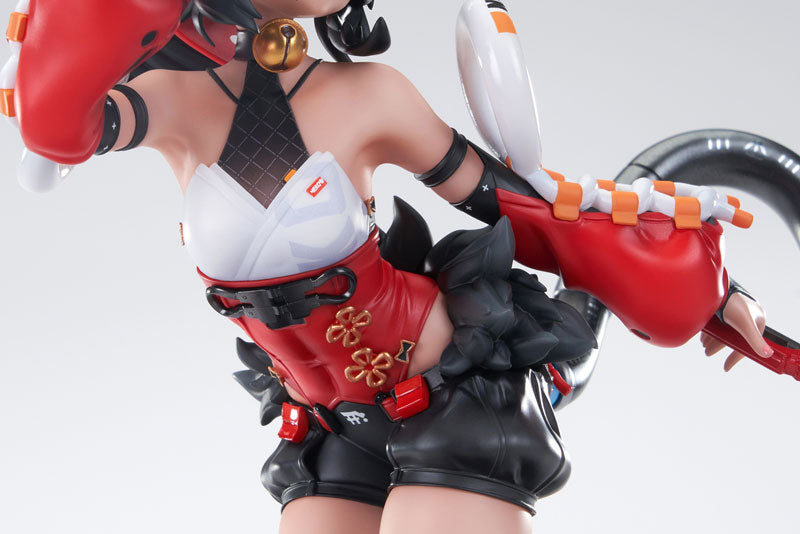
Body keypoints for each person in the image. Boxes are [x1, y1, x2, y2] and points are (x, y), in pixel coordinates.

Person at [2, 1, 798, 533]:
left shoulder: (370, 95)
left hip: (454, 400)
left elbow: (522, 212)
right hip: (330, 422)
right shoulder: (167, 102)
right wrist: (85, 31)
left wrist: (708, 291)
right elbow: (58, 133)